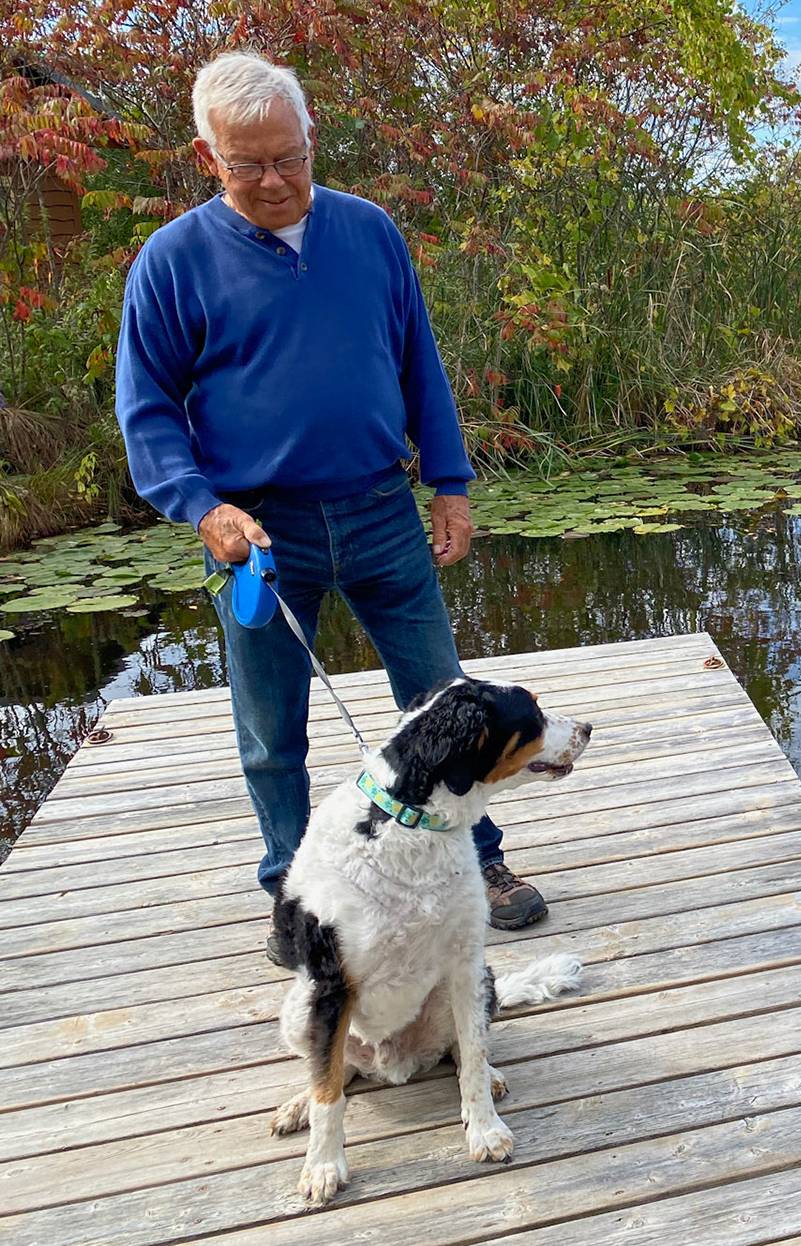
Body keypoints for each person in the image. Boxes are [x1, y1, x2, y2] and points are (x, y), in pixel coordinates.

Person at [115, 51, 549, 964]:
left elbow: (418, 362)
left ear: (312, 138)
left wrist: (452, 481)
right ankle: (292, 889)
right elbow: (147, 409)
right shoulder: (172, 261)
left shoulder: (370, 231)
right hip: (259, 534)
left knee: (444, 704)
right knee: (273, 730)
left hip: (383, 508)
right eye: (248, 164)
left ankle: (479, 860)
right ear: (209, 157)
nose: (274, 180)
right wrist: (203, 510)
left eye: (289, 156)